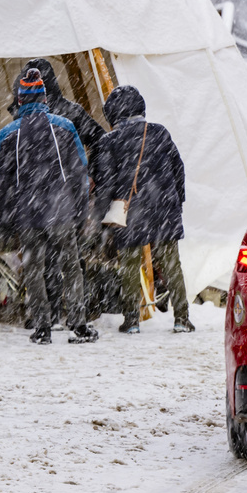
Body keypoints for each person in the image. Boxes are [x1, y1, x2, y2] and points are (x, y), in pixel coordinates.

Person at [0, 67, 98, 345]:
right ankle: (78, 324)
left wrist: (5, 216)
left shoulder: (7, 134)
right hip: (60, 211)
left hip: (27, 215)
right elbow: (79, 171)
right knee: (71, 267)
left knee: (34, 269)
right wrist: (80, 209)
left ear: (19, 101)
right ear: (45, 98)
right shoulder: (64, 127)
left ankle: (42, 326)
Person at [92, 85, 192, 334]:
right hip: (164, 208)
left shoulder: (110, 141)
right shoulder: (159, 133)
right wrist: (176, 201)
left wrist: (100, 215)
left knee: (129, 267)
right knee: (172, 266)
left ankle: (131, 320)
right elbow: (178, 169)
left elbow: (104, 183)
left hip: (130, 211)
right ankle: (182, 318)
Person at [22, 59, 107, 327]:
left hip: (40, 197)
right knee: (69, 258)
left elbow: (99, 140)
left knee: (44, 258)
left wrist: (91, 174)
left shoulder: (28, 116)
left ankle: (49, 314)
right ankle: (72, 315)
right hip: (66, 196)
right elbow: (99, 139)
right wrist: (88, 175)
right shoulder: (71, 112)